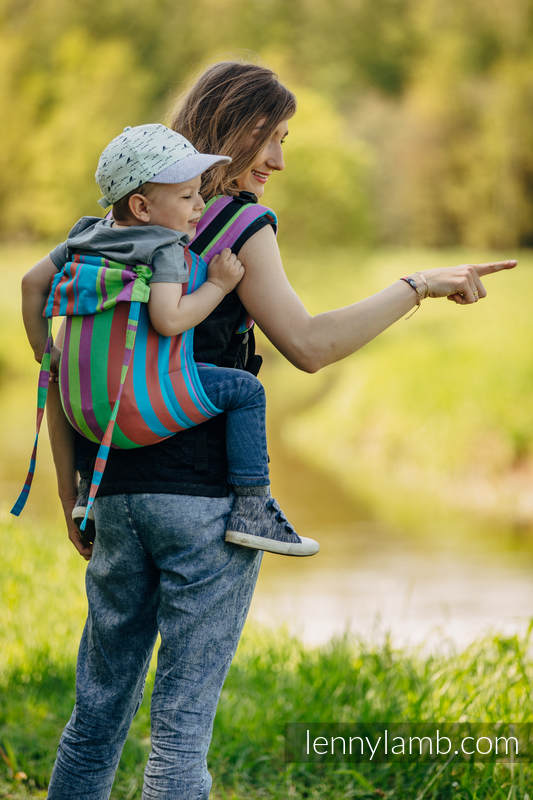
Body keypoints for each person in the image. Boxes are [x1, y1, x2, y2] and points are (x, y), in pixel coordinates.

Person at [20, 62, 516, 799]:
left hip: (113, 494)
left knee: (94, 719)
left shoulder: (108, 232)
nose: (279, 161)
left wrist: (71, 494)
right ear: (231, 127)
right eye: (272, 138)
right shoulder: (236, 224)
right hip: (200, 504)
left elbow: (66, 368)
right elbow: (309, 347)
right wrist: (415, 285)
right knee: (180, 733)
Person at [19, 121, 318, 556]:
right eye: (187, 196)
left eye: (199, 192)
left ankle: (86, 492)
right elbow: (169, 319)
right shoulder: (164, 248)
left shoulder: (84, 236)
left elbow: (31, 284)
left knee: (88, 376)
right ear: (141, 206)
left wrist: (45, 353)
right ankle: (254, 506)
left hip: (86, 416)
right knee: (245, 389)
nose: (200, 205)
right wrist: (217, 284)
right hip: (143, 406)